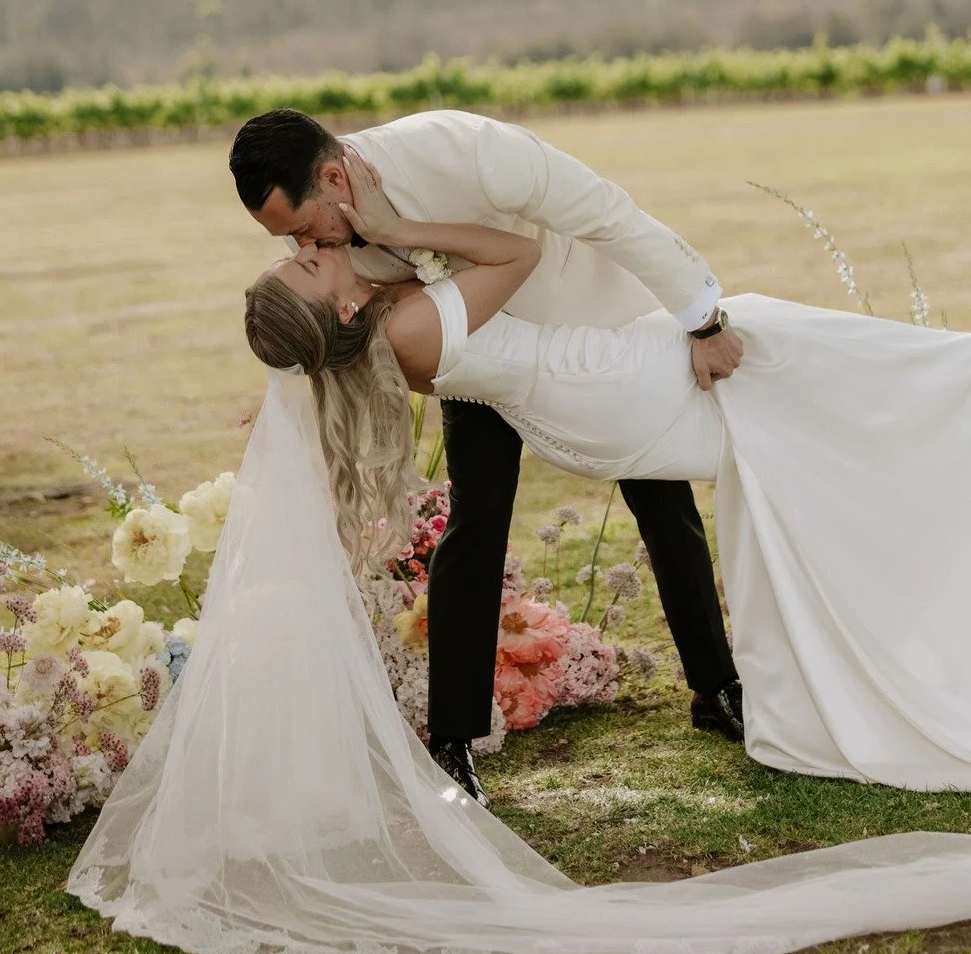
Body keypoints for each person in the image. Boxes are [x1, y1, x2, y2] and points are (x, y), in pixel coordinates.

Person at [65, 163, 971, 954]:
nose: (314, 254)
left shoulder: (382, 330)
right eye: (308, 267)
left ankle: (970, 384)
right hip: (619, 384)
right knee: (784, 333)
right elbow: (516, 245)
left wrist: (370, 244)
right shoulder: (409, 323)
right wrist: (392, 217)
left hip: (602, 390)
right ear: (327, 310)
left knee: (800, 376)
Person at [228, 107, 747, 803]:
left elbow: (607, 214)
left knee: (659, 491)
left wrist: (701, 317)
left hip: (571, 326)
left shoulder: (469, 151)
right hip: (471, 357)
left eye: (299, 229)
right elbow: (343, 314)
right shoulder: (335, 244)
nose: (299, 248)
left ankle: (715, 685)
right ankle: (453, 741)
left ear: (331, 178)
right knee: (476, 523)